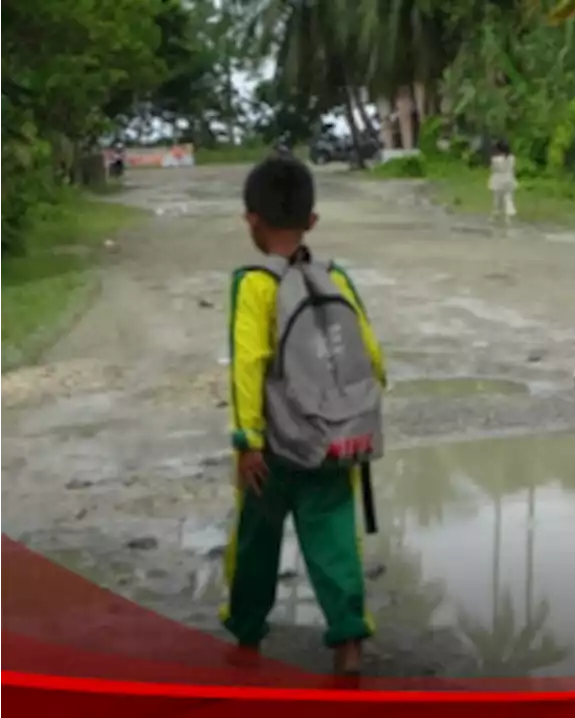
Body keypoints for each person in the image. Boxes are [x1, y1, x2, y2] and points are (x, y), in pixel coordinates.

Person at [222, 156, 387, 675]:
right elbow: (372, 357)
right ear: (312, 221)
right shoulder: (334, 276)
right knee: (336, 540)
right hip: (334, 442)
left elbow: (248, 363)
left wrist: (247, 439)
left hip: (273, 447)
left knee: (255, 543)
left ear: (251, 219)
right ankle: (348, 642)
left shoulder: (253, 283)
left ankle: (247, 639)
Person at [488, 138, 518, 223]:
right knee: (508, 198)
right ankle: (507, 217)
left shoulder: (495, 159)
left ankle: (495, 215)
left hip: (498, 180)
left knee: (497, 199)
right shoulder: (512, 158)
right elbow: (513, 168)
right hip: (509, 179)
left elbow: (493, 169)